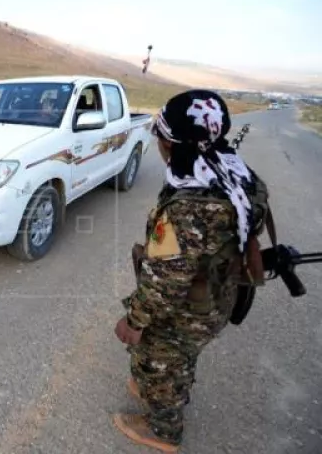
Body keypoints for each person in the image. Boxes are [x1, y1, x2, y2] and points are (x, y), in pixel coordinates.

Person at [112, 90, 271, 452]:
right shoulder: (236, 175)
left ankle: (163, 430)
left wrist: (134, 321)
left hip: (185, 310)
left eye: (161, 135)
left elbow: (165, 284)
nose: (157, 142)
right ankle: (158, 383)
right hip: (217, 298)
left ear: (173, 144)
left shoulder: (189, 207)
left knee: (161, 359)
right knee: (181, 355)